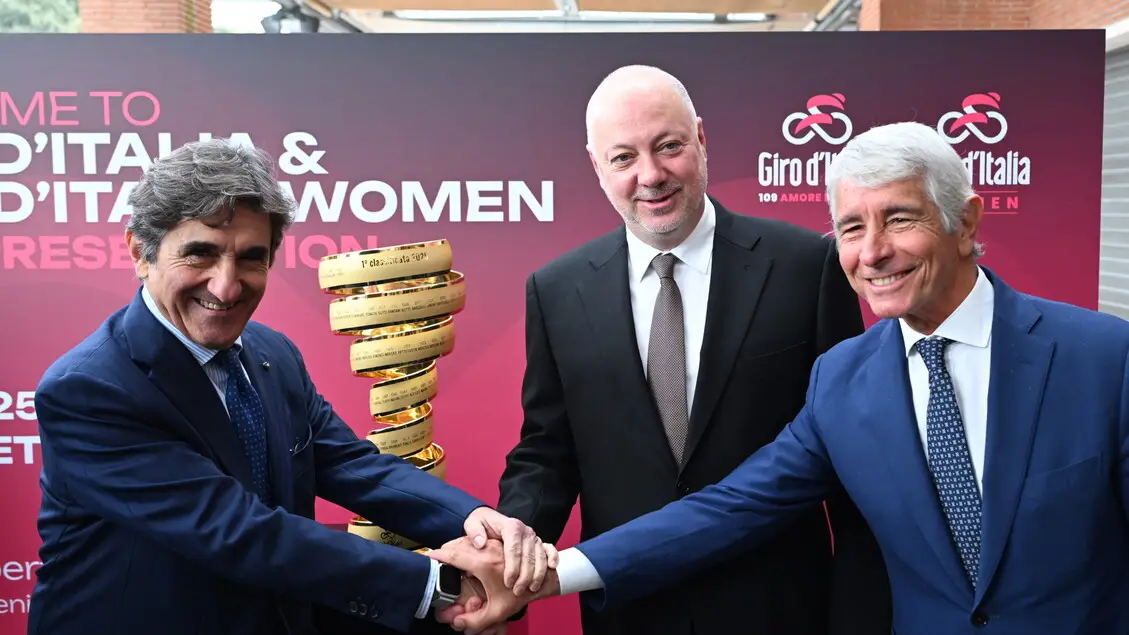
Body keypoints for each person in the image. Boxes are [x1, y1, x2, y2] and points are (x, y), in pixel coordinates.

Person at [434, 120, 1129, 635]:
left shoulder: (1105, 358)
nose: (872, 252)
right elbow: (728, 506)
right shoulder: (843, 381)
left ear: (966, 221)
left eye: (899, 219)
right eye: (850, 228)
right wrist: (551, 574)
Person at [27, 138, 552, 635]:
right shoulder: (89, 389)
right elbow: (238, 531)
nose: (226, 286)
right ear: (141, 252)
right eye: (200, 254)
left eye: (250, 257)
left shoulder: (271, 352)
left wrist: (477, 522)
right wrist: (441, 584)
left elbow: (350, 464)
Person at [492, 64, 890, 635]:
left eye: (668, 146)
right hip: (630, 610)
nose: (651, 175)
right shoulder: (556, 290)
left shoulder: (806, 266)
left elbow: (853, 459)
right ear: (597, 166)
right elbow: (548, 451)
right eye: (624, 158)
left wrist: (861, 612)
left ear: (700, 138)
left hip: (780, 610)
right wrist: (510, 550)